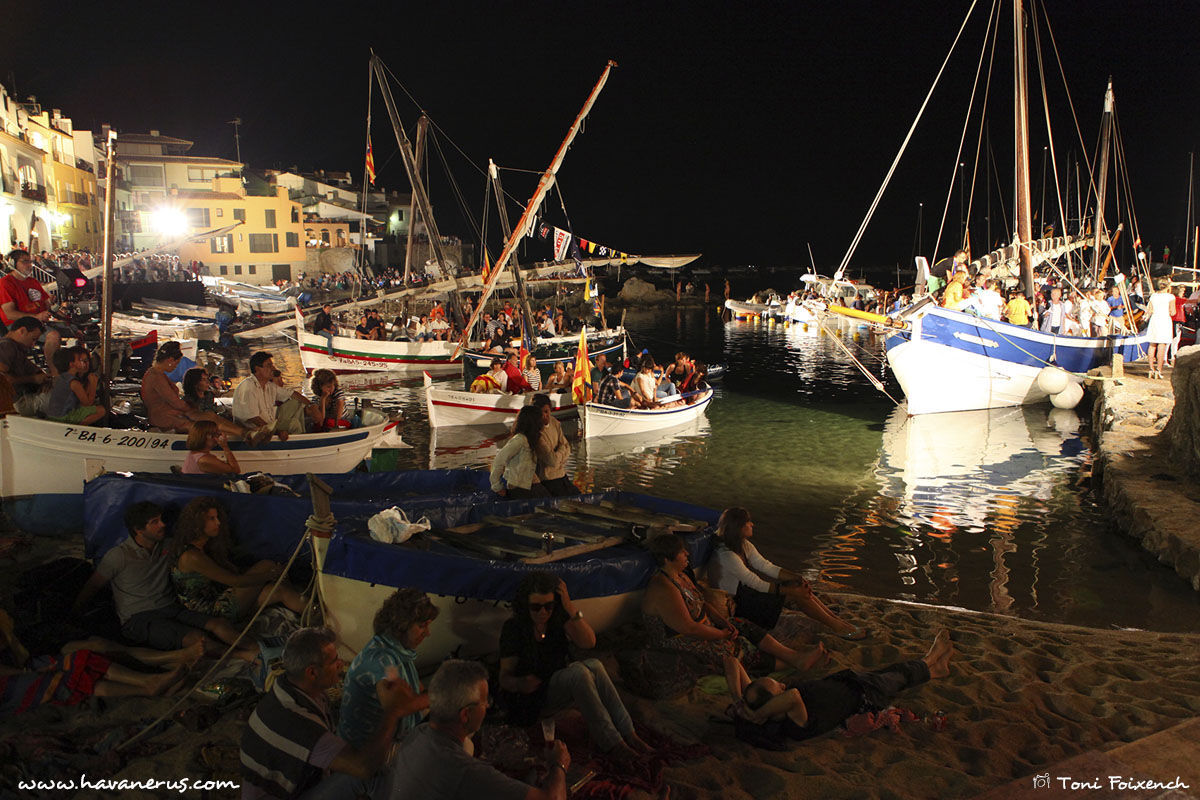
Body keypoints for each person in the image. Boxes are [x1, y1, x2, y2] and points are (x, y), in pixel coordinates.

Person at [241, 627, 423, 800]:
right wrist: (392, 711)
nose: (341, 664)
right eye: (334, 661)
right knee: (367, 774)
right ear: (312, 672)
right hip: (287, 795)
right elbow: (363, 767)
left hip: (295, 784)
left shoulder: (291, 689)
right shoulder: (298, 721)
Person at [641, 534, 828, 692]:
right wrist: (721, 634)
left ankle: (792, 657)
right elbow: (689, 628)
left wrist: (724, 622)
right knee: (732, 648)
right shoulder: (663, 587)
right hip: (678, 639)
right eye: (682, 553)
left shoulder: (680, 576)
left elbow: (703, 603)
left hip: (700, 627)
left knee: (740, 623)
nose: (687, 554)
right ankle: (789, 663)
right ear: (667, 559)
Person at [72, 502, 254, 660]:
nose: (163, 525)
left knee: (219, 624)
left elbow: (196, 547)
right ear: (138, 530)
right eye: (155, 522)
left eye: (161, 519)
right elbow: (94, 585)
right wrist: (75, 613)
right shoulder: (118, 556)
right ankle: (245, 656)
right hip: (139, 618)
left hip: (170, 607)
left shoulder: (168, 547)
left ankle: (257, 649)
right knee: (197, 639)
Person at [498, 572, 651, 759]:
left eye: (548, 606)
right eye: (536, 607)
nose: (543, 612)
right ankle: (613, 744)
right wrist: (520, 683)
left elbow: (590, 642)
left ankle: (629, 733)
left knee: (594, 664)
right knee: (578, 672)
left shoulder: (556, 618)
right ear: (525, 605)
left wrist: (570, 607)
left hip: (558, 684)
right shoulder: (513, 628)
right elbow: (504, 677)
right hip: (534, 696)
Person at [383, 659, 572, 800]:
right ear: (465, 714)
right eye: (485, 701)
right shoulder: (465, 771)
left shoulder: (419, 733)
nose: (488, 707)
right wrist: (559, 765)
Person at [732, 629, 954, 742]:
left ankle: (936, 669)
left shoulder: (775, 707)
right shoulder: (795, 723)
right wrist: (758, 713)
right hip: (864, 696)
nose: (782, 685)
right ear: (773, 708)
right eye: (778, 688)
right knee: (898, 676)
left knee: (893, 673)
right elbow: (792, 696)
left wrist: (740, 700)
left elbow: (732, 662)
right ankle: (930, 659)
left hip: (852, 682)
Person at [708, 508, 866, 640]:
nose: (752, 524)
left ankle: (835, 620)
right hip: (740, 604)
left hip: (748, 594)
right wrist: (792, 591)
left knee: (796, 585)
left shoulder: (743, 545)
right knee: (796, 593)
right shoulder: (726, 555)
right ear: (739, 527)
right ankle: (837, 626)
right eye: (747, 522)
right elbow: (755, 582)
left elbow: (765, 566)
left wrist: (797, 577)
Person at [0, 609, 189, 713]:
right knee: (70, 676)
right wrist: (27, 672)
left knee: (85, 658)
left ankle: (152, 680)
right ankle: (149, 684)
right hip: (10, 682)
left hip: (27, 660)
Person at [167, 496, 305, 621]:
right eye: (212, 519)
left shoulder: (205, 547)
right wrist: (271, 575)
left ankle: (316, 614)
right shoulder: (192, 556)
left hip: (220, 597)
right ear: (197, 523)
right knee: (269, 568)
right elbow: (235, 581)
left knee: (278, 587)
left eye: (217, 518)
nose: (218, 523)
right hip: (211, 611)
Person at [339, 589, 437, 748]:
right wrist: (445, 694)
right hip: (367, 749)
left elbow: (418, 693)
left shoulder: (396, 650)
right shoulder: (382, 660)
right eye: (422, 626)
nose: (428, 633)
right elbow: (398, 707)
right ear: (402, 625)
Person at [142, 341, 250, 440]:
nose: (176, 366)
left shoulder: (157, 374)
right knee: (207, 423)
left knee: (210, 416)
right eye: (176, 363)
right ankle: (244, 434)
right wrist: (191, 409)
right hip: (164, 418)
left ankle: (245, 433)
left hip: (172, 414)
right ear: (170, 360)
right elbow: (175, 402)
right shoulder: (155, 375)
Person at [1, 249, 61, 373]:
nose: (29, 265)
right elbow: (9, 313)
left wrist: (50, 302)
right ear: (13, 263)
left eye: (30, 262)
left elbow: (45, 304)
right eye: (25, 262)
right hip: (19, 325)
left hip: (39, 321)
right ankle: (54, 373)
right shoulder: (5, 283)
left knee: (74, 329)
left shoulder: (32, 282)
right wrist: (37, 317)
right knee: (53, 336)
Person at [232, 351, 312, 441]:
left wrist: (311, 406)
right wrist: (277, 432)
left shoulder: (269, 386)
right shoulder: (248, 387)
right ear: (257, 369)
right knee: (294, 424)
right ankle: (298, 446)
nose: (273, 368)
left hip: (269, 424)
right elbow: (254, 419)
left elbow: (292, 393)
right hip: (254, 430)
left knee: (296, 402)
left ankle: (301, 441)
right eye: (269, 365)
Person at [490, 405, 545, 499]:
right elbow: (498, 461)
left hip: (529, 485)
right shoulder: (519, 440)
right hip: (519, 487)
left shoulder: (532, 439)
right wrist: (497, 487)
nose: (543, 423)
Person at [0, 316, 51, 416]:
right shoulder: (6, 346)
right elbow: (3, 380)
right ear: (22, 331)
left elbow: (37, 372)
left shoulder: (17, 349)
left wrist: (42, 380)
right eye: (33, 339)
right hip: (19, 403)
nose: (33, 345)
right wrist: (33, 379)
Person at [46, 346, 106, 425]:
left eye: (86, 360)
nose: (85, 363)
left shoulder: (63, 377)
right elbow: (87, 404)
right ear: (72, 364)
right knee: (101, 410)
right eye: (81, 360)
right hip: (63, 417)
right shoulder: (73, 382)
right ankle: (77, 428)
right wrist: (93, 384)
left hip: (52, 415)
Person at [530, 394, 575, 496]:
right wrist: (562, 449)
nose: (544, 416)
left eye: (546, 412)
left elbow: (567, 447)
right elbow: (552, 461)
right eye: (540, 413)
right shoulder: (536, 432)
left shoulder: (554, 422)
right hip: (548, 479)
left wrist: (559, 452)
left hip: (562, 474)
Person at [1144, 278, 1176, 379]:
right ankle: (1159, 370)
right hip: (1164, 320)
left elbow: (1150, 310)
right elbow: (1173, 312)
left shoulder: (1153, 296)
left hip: (1155, 319)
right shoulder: (1170, 297)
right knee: (1162, 345)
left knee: (1152, 345)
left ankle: (1151, 369)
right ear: (1167, 286)